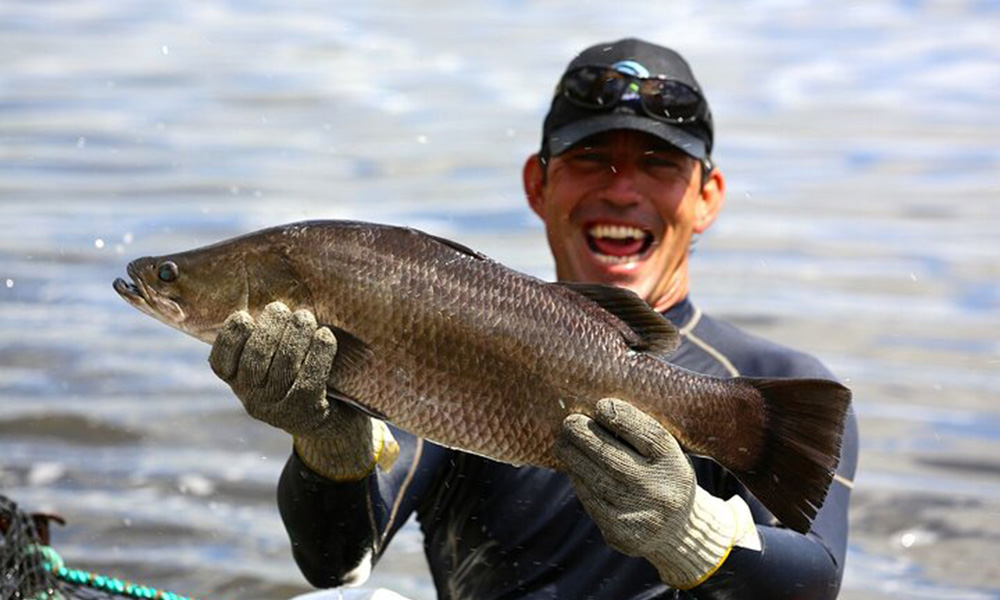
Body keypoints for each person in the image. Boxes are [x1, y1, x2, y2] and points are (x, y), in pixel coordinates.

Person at [208, 38, 859, 599]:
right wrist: (328, 448)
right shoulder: (443, 334)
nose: (622, 189)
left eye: (659, 164)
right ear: (537, 186)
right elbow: (335, 564)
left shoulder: (770, 387)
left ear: (708, 197)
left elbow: (812, 584)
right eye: (589, 159)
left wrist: (689, 528)